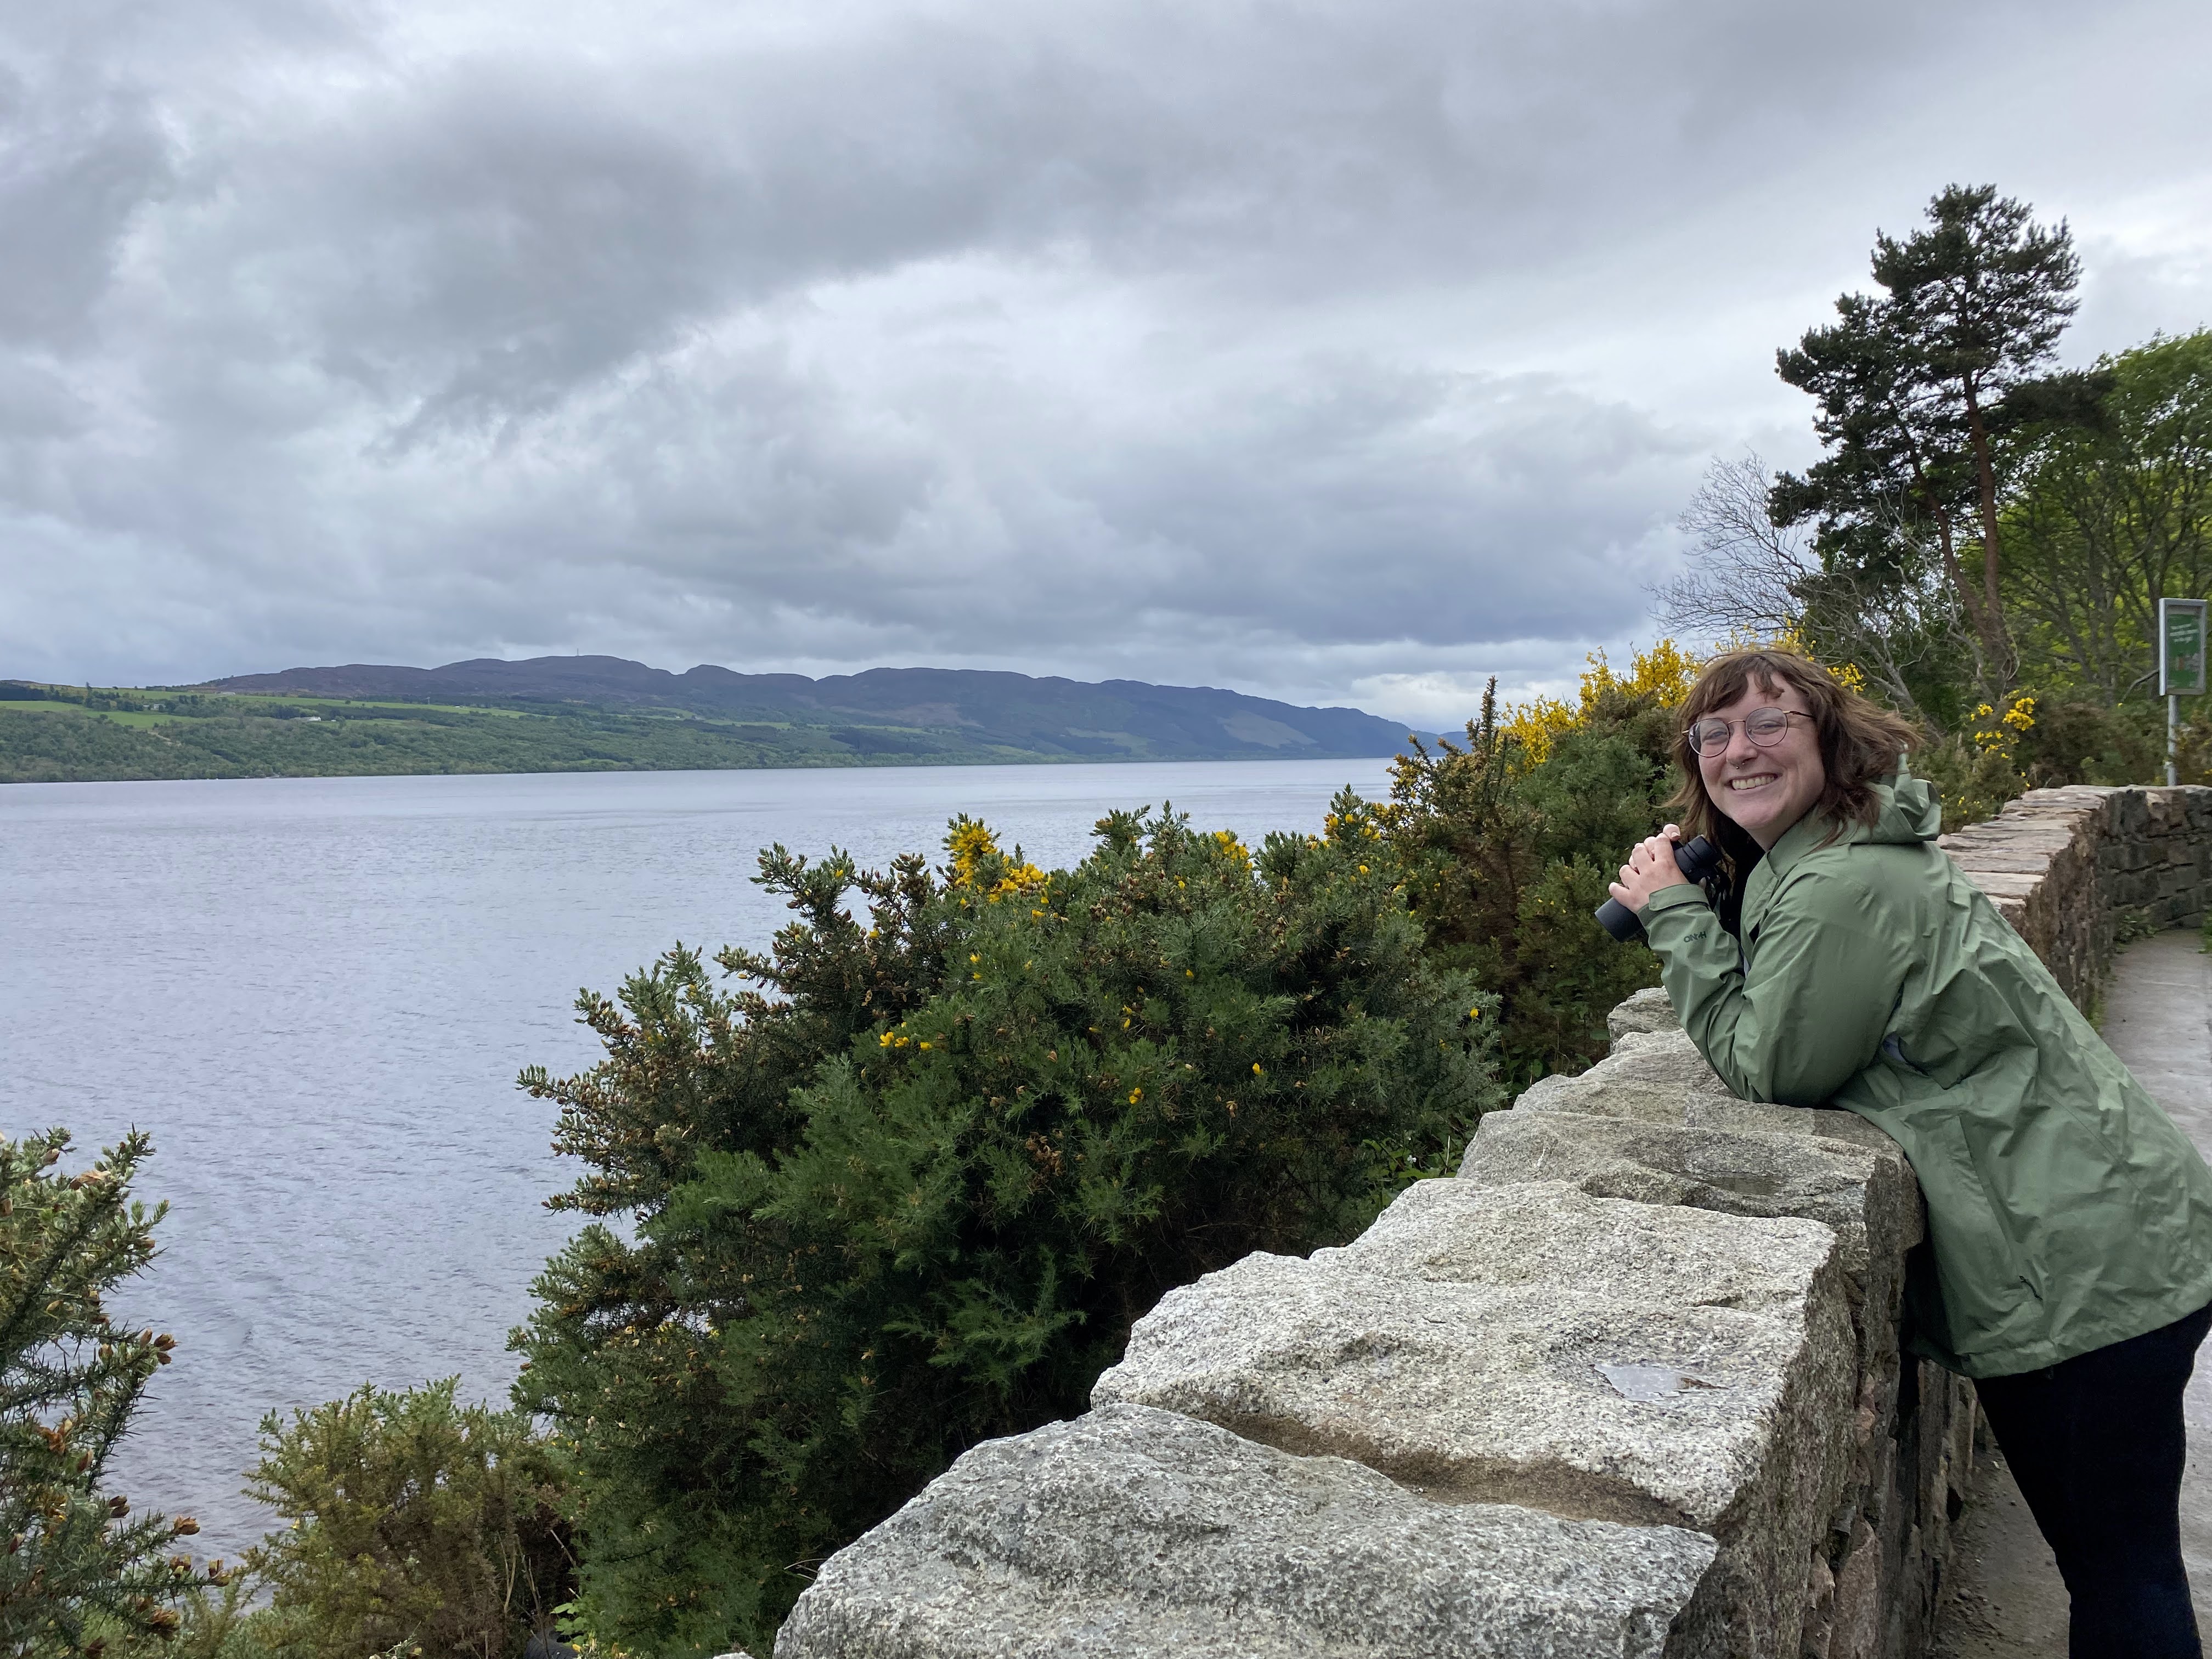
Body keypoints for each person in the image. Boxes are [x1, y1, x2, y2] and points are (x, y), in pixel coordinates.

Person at [1606, 647, 2212, 1658]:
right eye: (1713, 734)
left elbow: (1776, 1061)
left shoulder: (1843, 885)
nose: (1737, 750)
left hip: (2080, 1266)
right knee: (2127, 1559)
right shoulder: (1845, 850)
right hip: (2114, 1225)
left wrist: (1670, 907)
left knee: (2121, 1574)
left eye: (1771, 724)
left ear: (1828, 739)